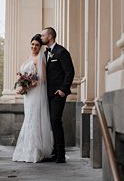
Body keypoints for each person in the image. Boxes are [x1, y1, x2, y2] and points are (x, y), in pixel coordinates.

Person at [12, 34, 54, 163]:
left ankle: (35, 151)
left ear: (40, 47)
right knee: (29, 117)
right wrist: (21, 83)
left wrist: (27, 86)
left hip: (35, 93)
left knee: (34, 118)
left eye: (37, 45)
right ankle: (26, 150)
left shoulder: (40, 59)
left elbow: (42, 79)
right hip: (28, 95)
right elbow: (24, 75)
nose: (34, 47)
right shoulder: (28, 57)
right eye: (32, 44)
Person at [41, 27, 75, 163]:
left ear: (50, 37)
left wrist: (63, 89)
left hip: (58, 94)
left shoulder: (62, 52)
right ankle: (55, 152)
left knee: (55, 121)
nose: (41, 37)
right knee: (52, 122)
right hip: (47, 94)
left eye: (43, 35)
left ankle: (61, 155)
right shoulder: (45, 53)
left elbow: (70, 72)